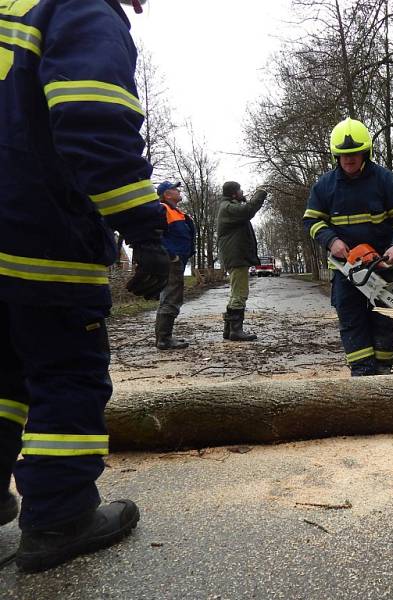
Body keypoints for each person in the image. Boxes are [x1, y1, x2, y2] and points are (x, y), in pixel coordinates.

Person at [0, 0, 170, 572]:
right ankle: (59, 516)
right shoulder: (80, 9)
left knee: (2, 378)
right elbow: (95, 120)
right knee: (66, 371)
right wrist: (145, 230)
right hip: (37, 239)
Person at [303, 118, 393, 376]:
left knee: (386, 320)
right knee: (351, 319)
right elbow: (311, 220)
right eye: (343, 155)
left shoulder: (386, 181)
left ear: (365, 152)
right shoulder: (325, 186)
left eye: (354, 154)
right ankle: (362, 373)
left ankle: (383, 369)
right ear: (336, 156)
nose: (349, 159)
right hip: (346, 268)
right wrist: (332, 241)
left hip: (382, 264)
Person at [216, 181, 267, 342]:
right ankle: (236, 331)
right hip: (236, 257)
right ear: (233, 193)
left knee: (235, 293)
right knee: (240, 293)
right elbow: (248, 211)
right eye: (240, 190)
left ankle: (229, 330)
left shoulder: (229, 206)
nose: (242, 191)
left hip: (235, 256)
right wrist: (260, 193)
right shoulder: (228, 208)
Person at [154, 180, 195, 350]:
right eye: (174, 189)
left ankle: (165, 336)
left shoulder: (176, 212)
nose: (179, 191)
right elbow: (157, 235)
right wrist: (171, 255)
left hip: (178, 260)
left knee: (172, 296)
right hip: (172, 261)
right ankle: (164, 339)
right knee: (171, 297)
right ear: (167, 194)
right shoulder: (163, 210)